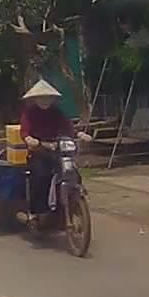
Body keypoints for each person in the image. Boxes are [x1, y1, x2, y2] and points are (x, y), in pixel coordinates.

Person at [18, 79, 90, 216]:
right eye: (41, 98)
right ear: (35, 99)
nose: (44, 100)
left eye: (47, 98)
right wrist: (29, 139)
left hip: (58, 150)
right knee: (41, 176)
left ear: (52, 99)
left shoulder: (57, 112)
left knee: (73, 174)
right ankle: (38, 213)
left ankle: (70, 203)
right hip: (39, 152)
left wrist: (80, 134)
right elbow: (24, 131)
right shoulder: (29, 113)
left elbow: (68, 128)